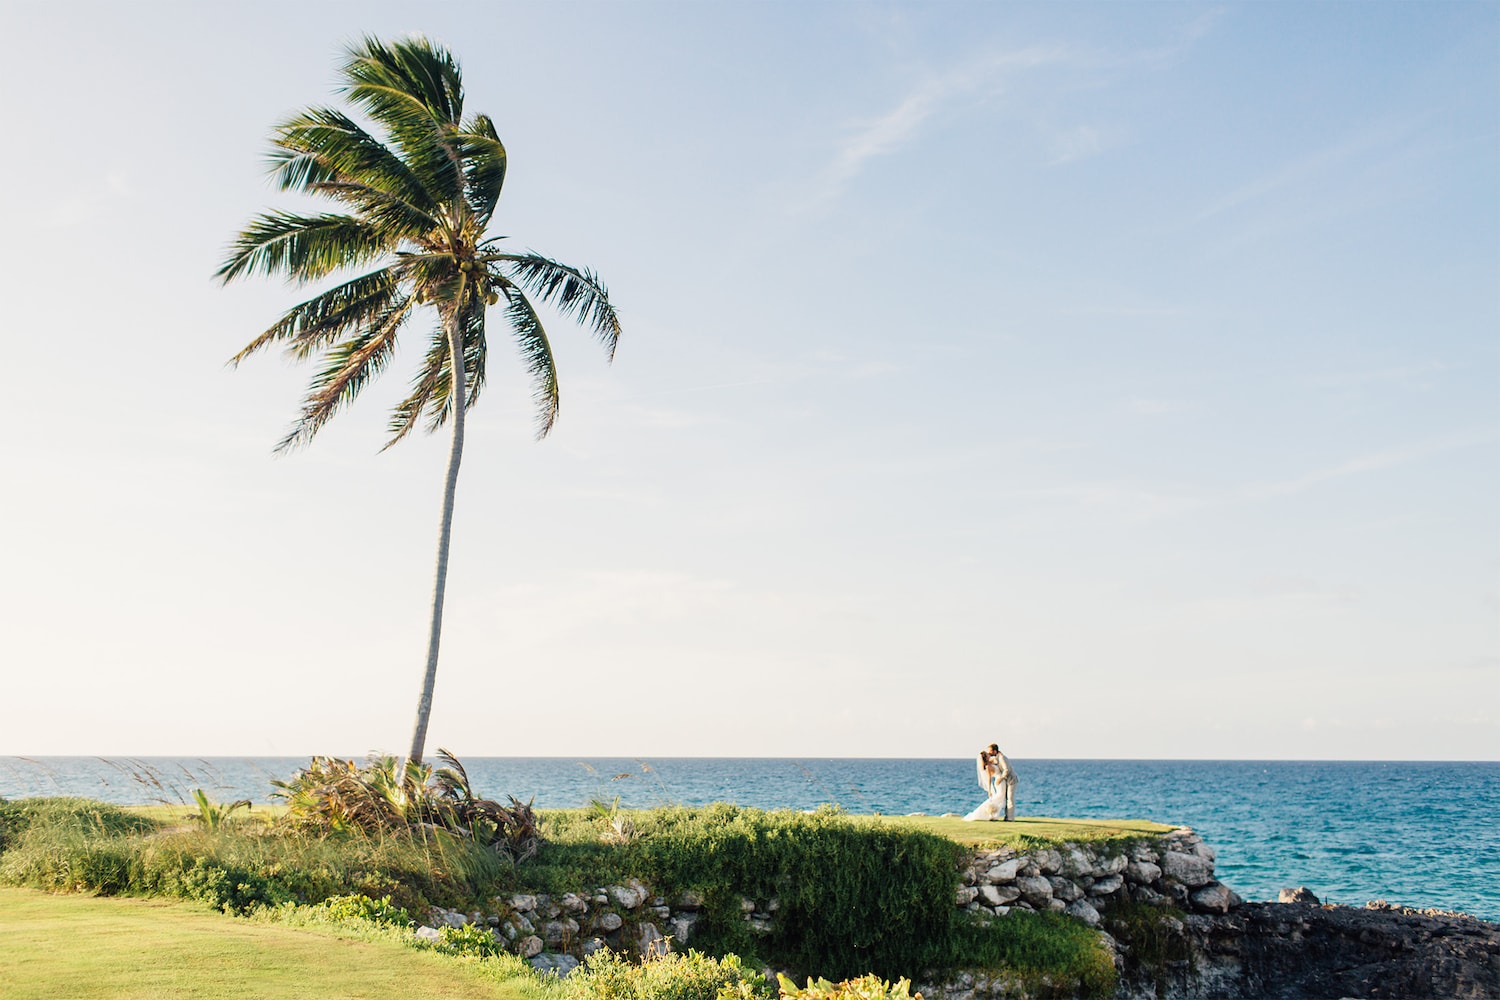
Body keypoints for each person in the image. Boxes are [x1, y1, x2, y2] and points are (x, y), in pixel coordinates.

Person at [970, 743, 1017, 822]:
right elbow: (989, 778)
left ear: (995, 751)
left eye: (990, 751)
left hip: (1006, 780)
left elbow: (1003, 767)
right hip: (1000, 782)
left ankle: (1006, 817)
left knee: (1005, 799)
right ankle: (1002, 816)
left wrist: (999, 754)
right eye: (987, 753)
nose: (989, 753)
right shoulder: (989, 765)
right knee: (1001, 798)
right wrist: (989, 790)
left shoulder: (995, 759)